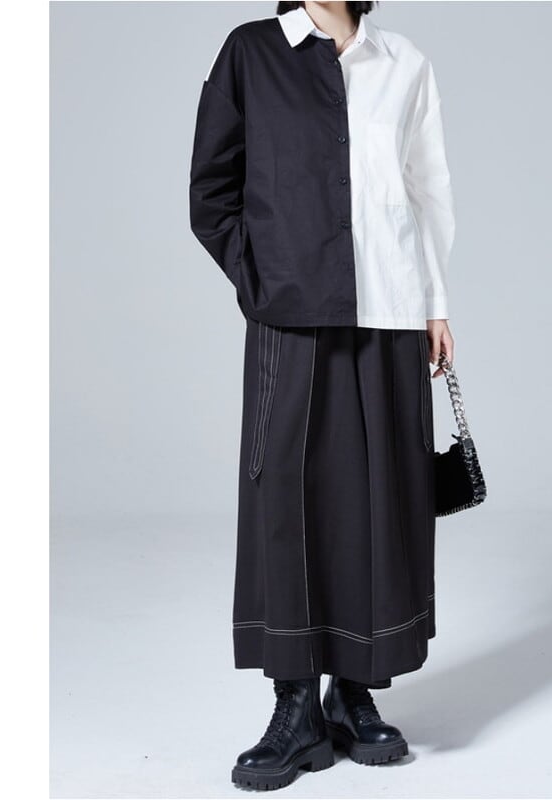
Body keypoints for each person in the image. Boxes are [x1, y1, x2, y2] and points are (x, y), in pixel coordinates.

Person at [189, 0, 457, 790]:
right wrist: (263, 280)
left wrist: (435, 305)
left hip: (391, 312)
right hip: (293, 313)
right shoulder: (251, 54)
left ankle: (356, 694)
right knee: (288, 499)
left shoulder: (404, 63)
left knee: (379, 501)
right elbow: (212, 188)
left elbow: (427, 189)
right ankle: (295, 706)